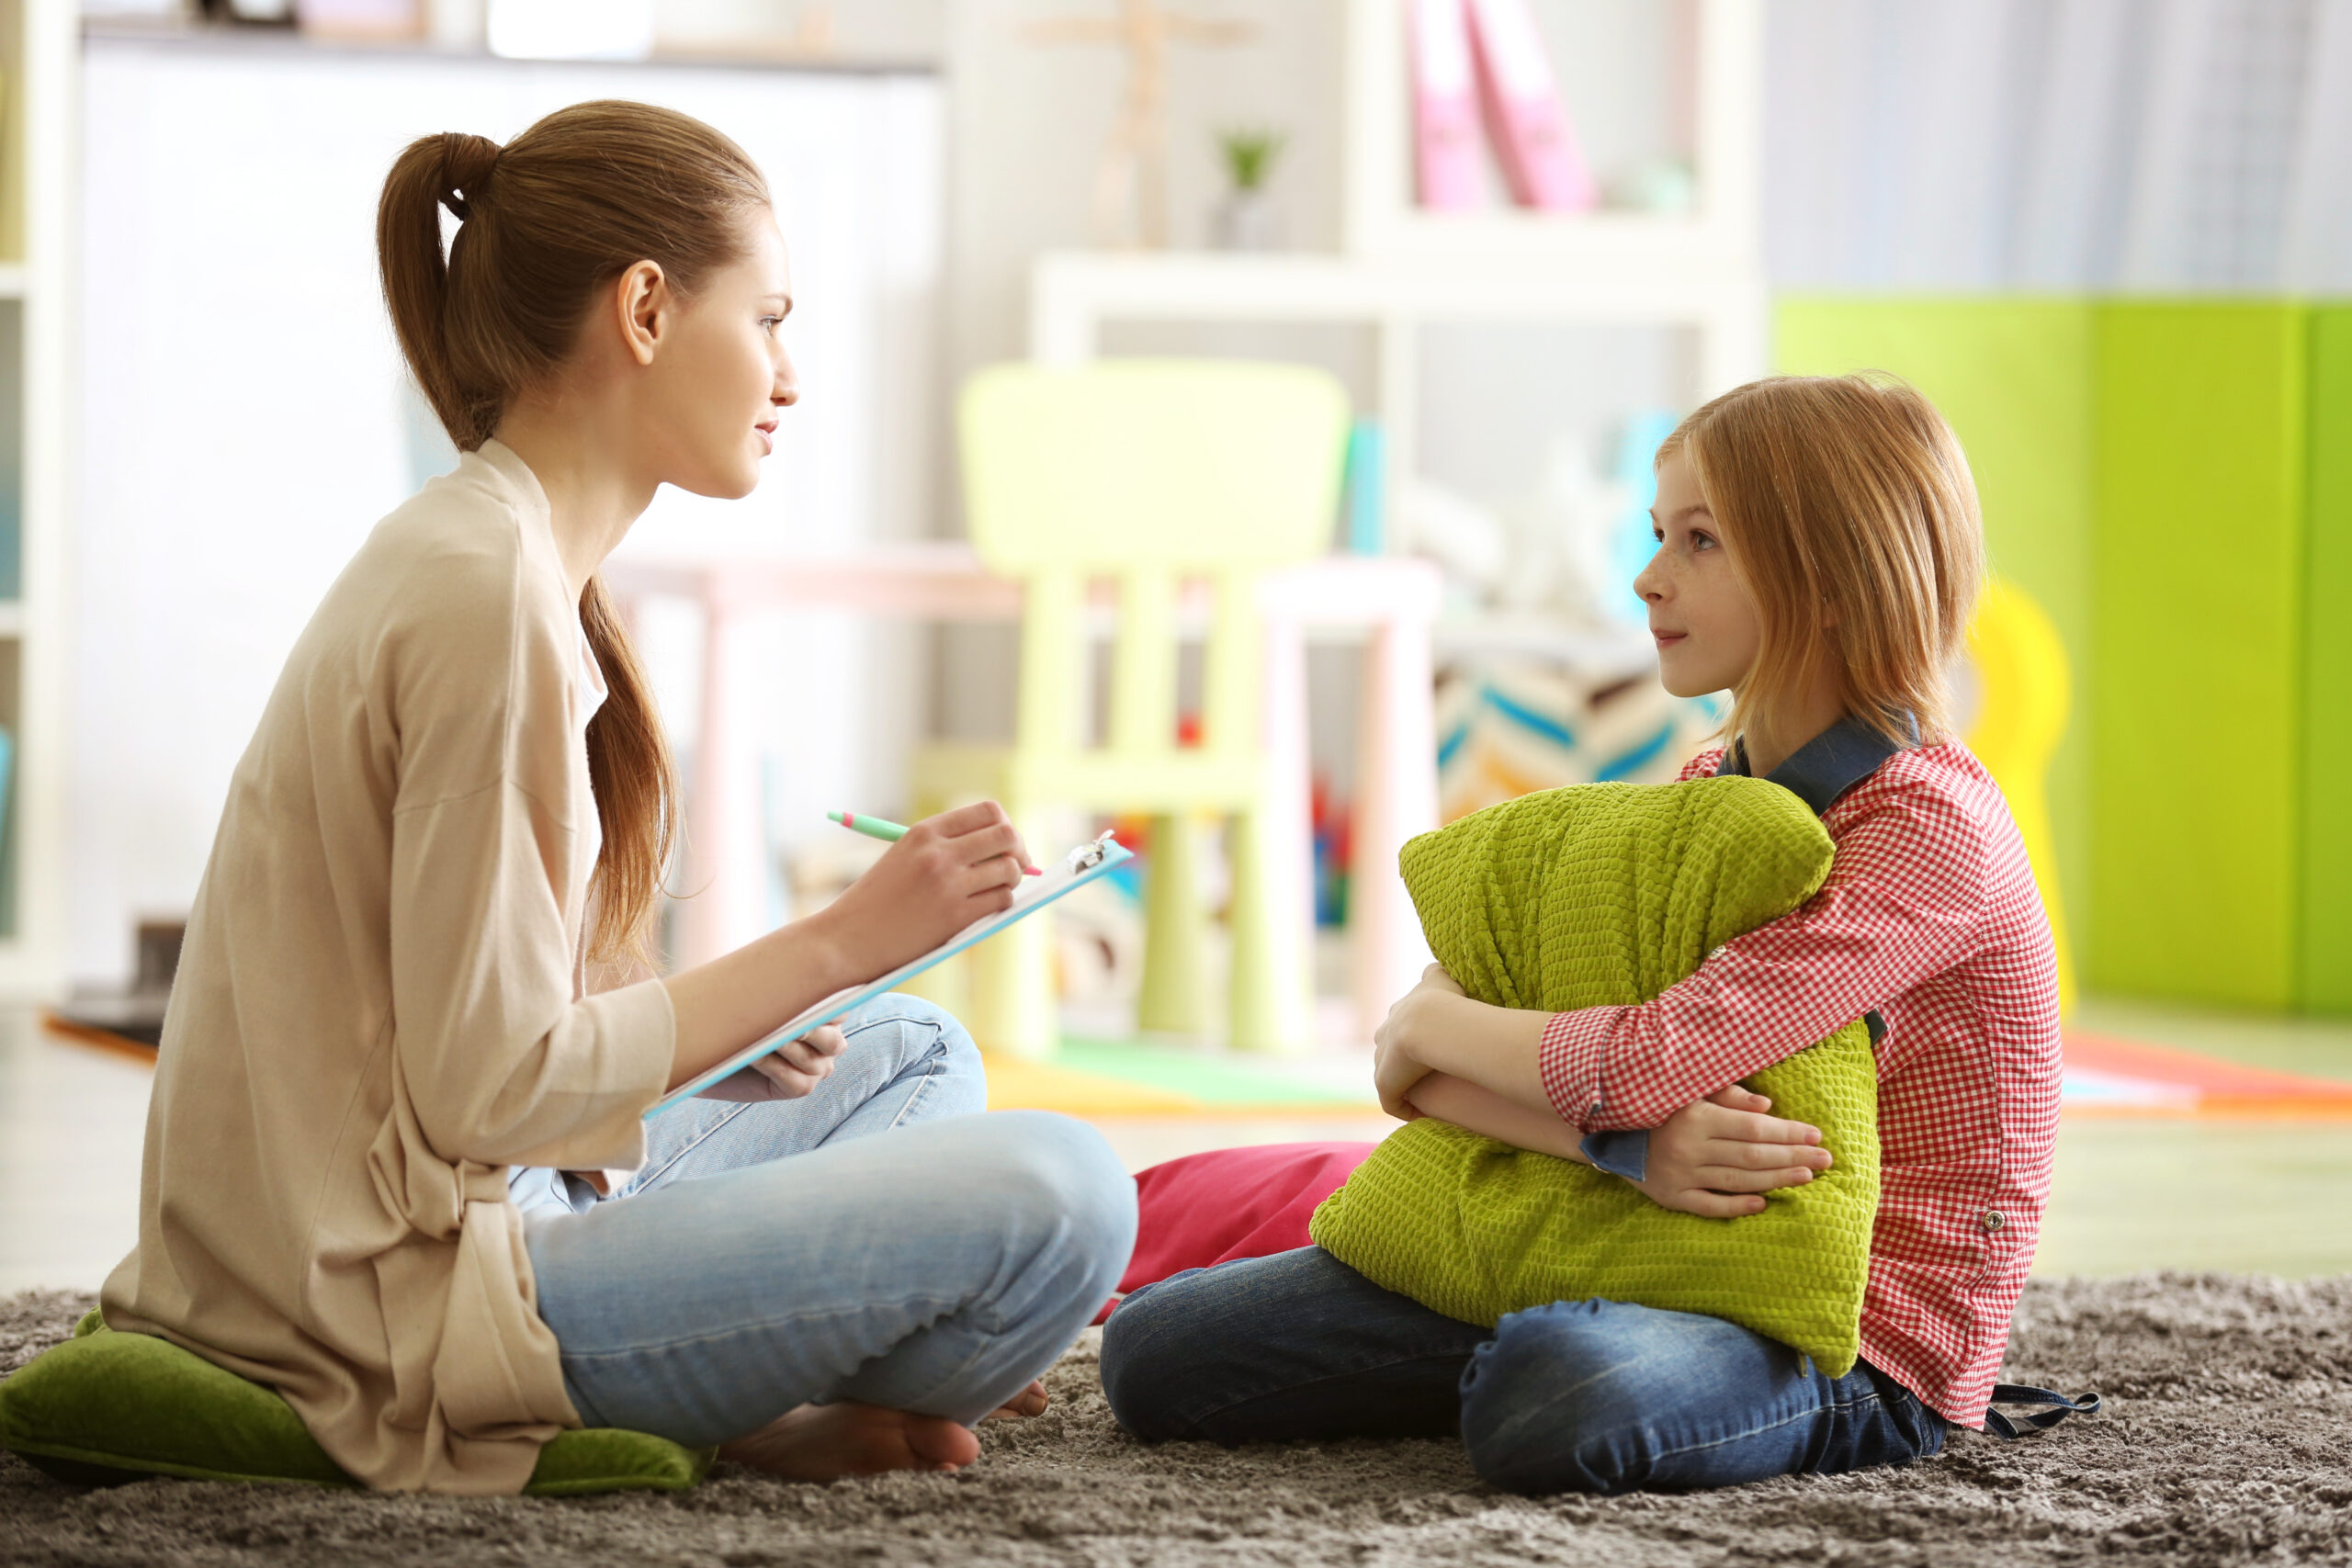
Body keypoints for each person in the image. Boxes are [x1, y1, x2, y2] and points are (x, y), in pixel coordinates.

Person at [99, 100, 1135, 1497]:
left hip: (459, 1205)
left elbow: (460, 1036)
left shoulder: (491, 548)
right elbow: (488, 1086)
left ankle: (752, 1374)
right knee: (1067, 1194)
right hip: (391, 1300)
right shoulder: (487, 596)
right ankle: (746, 1403)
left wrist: (739, 1023)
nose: (788, 373)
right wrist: (835, 940)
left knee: (914, 1054)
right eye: (767, 319)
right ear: (646, 307)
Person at [1099, 374, 2071, 1495]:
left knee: (1552, 1389)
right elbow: (1421, 1078)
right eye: (1660, 535)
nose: (1647, 577)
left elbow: (1641, 1060)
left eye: (1700, 542)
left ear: (1833, 574)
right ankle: (1551, 1346)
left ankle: (1559, 1356)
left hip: (1853, 1344)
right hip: (1632, 1238)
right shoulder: (1712, 786)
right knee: (1155, 1352)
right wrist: (1607, 1143)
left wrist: (1436, 1023)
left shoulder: (1929, 826)